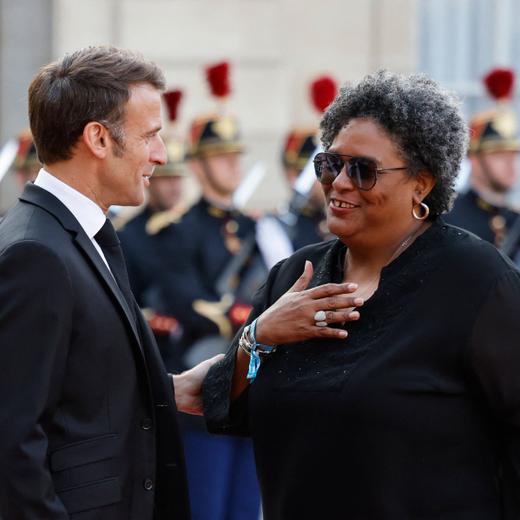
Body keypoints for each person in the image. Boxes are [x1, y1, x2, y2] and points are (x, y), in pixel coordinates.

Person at [203, 70, 520, 519]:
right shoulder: (295, 275)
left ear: (421, 184)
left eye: (363, 170)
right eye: (330, 164)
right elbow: (228, 405)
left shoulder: (479, 282)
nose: (339, 183)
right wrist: (259, 335)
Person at [0, 46, 219, 520]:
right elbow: (12, 439)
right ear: (98, 138)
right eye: (151, 136)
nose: (161, 155)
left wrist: (167, 388)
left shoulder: (75, 234)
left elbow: (74, 385)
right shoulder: (34, 253)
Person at [152, 62, 262, 520]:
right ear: (196, 164)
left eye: (236, 154)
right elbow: (196, 309)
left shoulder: (258, 228)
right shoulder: (177, 231)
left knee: (244, 510)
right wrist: (257, 320)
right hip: (204, 392)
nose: (233, 163)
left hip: (252, 392)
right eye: (220, 155)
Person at [118, 89, 187, 368]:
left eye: (178, 178)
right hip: (154, 353)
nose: (174, 186)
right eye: (166, 178)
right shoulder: (128, 235)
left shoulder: (192, 227)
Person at [445, 67, 520, 264]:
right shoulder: (447, 217)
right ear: (475, 159)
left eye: (513, 155)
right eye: (498, 155)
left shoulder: (515, 218)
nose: (511, 164)